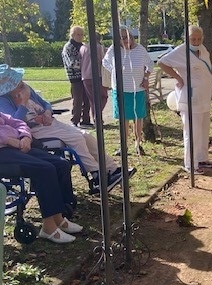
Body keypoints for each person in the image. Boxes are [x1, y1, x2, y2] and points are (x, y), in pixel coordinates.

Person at [0, 64, 124, 192]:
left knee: (86, 136)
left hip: (50, 123)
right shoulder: (3, 101)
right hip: (34, 131)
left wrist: (47, 112)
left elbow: (45, 103)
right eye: (17, 81)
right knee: (76, 138)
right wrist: (24, 102)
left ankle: (112, 169)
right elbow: (14, 122)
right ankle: (96, 175)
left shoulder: (26, 88)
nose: (21, 82)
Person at [0, 112, 82, 243]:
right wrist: (8, 140)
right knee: (45, 169)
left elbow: (17, 122)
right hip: (3, 152)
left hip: (18, 145)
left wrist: (25, 136)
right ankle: (48, 227)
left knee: (61, 164)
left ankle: (58, 218)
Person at [158, 25, 212, 174]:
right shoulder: (181, 51)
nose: (196, 41)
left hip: (204, 97)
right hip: (190, 97)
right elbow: (161, 63)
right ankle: (190, 164)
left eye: (198, 38)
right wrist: (178, 77)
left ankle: (202, 158)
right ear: (186, 38)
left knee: (203, 130)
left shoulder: (203, 49)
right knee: (192, 132)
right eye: (192, 39)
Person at [102, 26, 154, 156]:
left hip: (137, 88)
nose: (126, 40)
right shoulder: (114, 50)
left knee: (138, 117)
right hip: (120, 89)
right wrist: (114, 70)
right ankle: (123, 146)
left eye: (128, 37)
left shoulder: (140, 50)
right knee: (123, 118)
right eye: (122, 38)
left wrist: (146, 77)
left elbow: (150, 64)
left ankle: (138, 144)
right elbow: (105, 62)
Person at [62, 25, 92, 128]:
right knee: (78, 99)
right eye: (78, 34)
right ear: (72, 35)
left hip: (85, 76)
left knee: (87, 99)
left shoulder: (83, 46)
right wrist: (86, 64)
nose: (80, 36)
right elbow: (72, 63)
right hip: (75, 77)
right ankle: (75, 120)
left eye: (82, 34)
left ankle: (86, 120)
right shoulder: (68, 47)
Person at [80, 32, 108, 124]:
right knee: (103, 96)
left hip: (85, 77)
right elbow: (104, 61)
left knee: (92, 99)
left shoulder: (83, 48)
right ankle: (97, 117)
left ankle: (97, 119)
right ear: (99, 39)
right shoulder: (100, 48)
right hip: (98, 75)